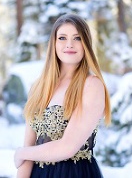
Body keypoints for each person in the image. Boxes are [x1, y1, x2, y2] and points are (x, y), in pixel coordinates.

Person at [14, 14, 111, 178]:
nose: (69, 44)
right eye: (62, 38)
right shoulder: (38, 87)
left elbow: (68, 147)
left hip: (74, 173)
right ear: (54, 43)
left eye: (77, 38)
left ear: (86, 43)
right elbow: (29, 145)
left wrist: (22, 153)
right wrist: (23, 160)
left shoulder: (92, 85)